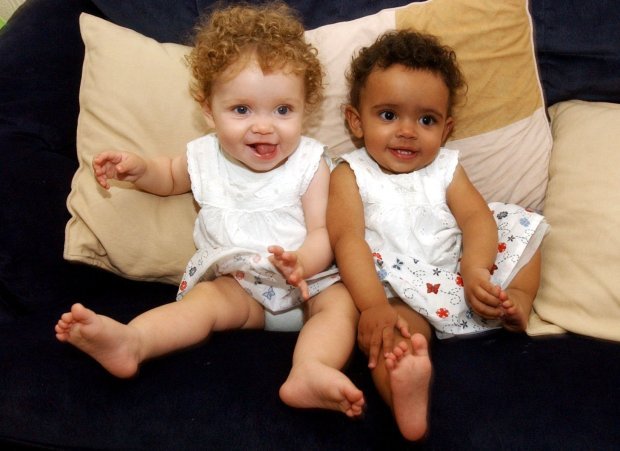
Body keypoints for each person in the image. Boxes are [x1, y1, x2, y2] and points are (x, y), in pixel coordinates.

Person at [55, 2, 365, 419]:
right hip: (241, 287)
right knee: (203, 302)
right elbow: (168, 178)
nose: (263, 126)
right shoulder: (204, 157)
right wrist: (139, 169)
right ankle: (134, 342)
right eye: (241, 109)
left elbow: (321, 232)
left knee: (340, 305)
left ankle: (311, 368)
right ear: (208, 109)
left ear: (304, 108)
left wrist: (302, 263)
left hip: (310, 286)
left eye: (282, 110)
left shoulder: (310, 163)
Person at [327, 30, 548, 440]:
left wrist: (476, 268)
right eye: (388, 115)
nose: (408, 131)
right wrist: (373, 306)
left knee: (519, 222)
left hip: (464, 274)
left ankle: (517, 298)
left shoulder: (445, 167)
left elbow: (477, 218)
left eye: (426, 120)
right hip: (398, 289)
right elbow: (347, 240)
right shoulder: (350, 173)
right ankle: (404, 392)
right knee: (398, 338)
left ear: (445, 129)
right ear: (356, 120)